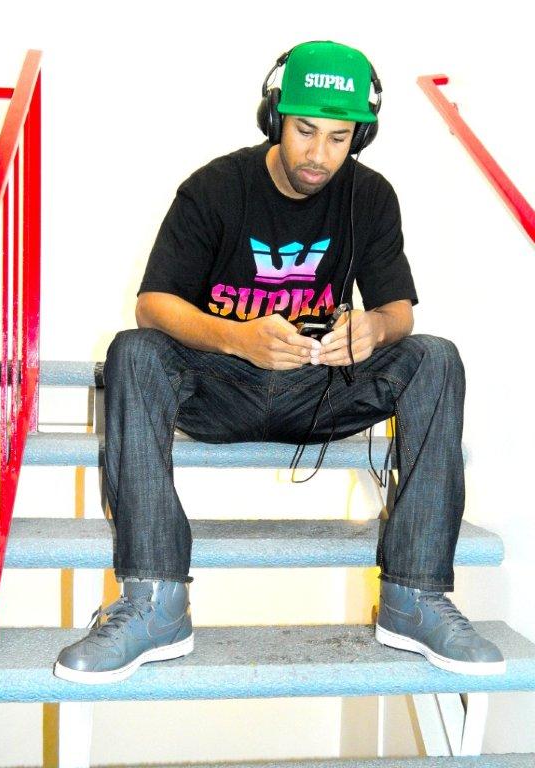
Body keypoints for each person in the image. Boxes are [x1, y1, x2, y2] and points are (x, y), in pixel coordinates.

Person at [54, 40, 505, 683]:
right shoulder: (216, 187)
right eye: (304, 131)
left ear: (361, 136)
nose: (319, 154)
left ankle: (414, 596)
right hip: (221, 386)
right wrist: (237, 338)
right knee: (133, 352)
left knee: (435, 358)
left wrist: (373, 328)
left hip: (319, 389)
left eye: (339, 138)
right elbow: (153, 305)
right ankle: (155, 601)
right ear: (275, 118)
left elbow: (399, 311)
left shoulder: (371, 196)